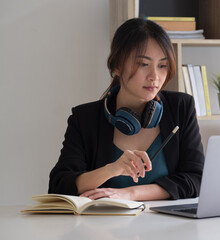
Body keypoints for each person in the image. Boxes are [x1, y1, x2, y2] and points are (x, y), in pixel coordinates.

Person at [48, 18, 205, 201]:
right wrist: (111, 170)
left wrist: (131, 193)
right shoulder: (85, 119)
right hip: (103, 227)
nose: (154, 76)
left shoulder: (181, 108)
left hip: (169, 225)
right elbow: (59, 186)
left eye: (162, 65)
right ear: (117, 66)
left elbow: (197, 179)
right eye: (143, 64)